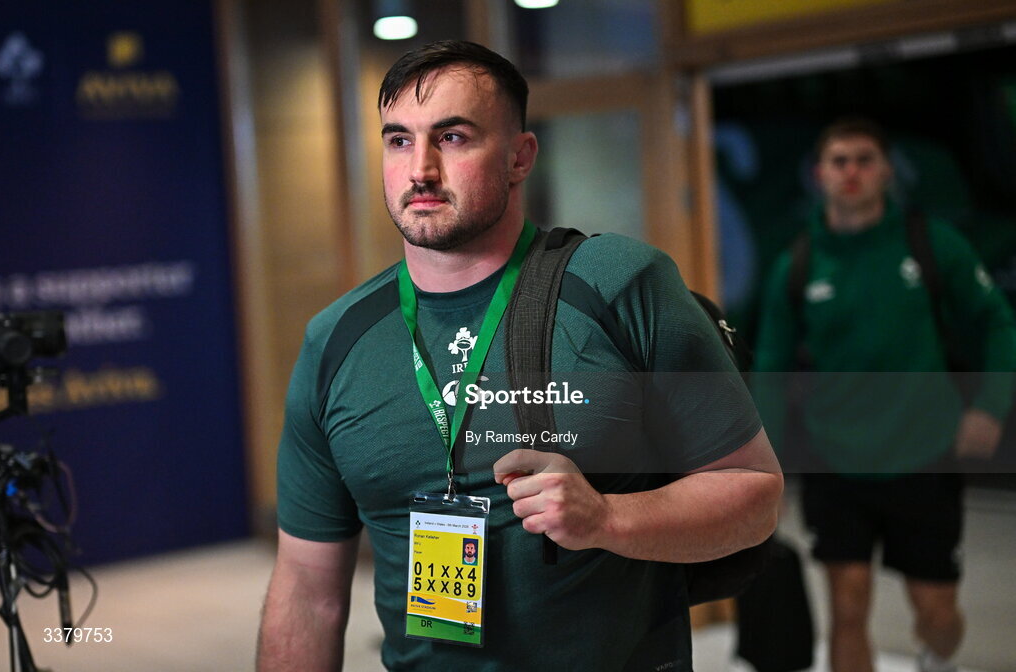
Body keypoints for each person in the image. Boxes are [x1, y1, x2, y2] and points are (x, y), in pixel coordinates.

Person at [257, 40, 782, 672]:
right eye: (399, 140)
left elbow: (754, 494)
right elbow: (306, 588)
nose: (420, 169)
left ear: (519, 156)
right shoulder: (335, 339)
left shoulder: (619, 284)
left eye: (452, 137)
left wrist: (606, 518)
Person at [752, 117, 1016, 672]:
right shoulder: (797, 264)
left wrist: (990, 407)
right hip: (835, 463)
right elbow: (771, 368)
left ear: (887, 171)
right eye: (839, 160)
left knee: (936, 613)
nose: (851, 171)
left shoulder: (932, 245)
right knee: (847, 609)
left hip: (924, 456)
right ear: (819, 174)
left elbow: (997, 322)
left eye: (864, 159)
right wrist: (762, 465)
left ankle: (936, 658)